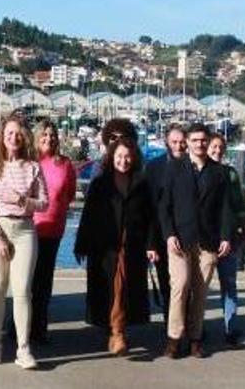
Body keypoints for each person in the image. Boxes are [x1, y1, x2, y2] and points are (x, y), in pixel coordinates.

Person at [156, 123, 235, 359]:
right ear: (188, 142)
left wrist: (225, 237)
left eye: (203, 140)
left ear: (208, 141)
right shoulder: (175, 169)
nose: (199, 144)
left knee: (201, 292)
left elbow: (225, 209)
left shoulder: (219, 172)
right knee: (180, 285)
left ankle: (195, 338)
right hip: (180, 239)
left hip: (208, 241)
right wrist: (169, 234)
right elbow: (164, 206)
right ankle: (174, 337)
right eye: (195, 140)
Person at [74, 136, 154, 356]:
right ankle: (117, 332)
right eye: (119, 156)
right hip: (106, 245)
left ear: (134, 157)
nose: (124, 160)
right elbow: (88, 215)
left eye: (128, 156)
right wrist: (81, 244)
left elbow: (150, 218)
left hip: (133, 245)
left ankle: (117, 331)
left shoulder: (141, 183)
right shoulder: (101, 183)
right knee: (114, 286)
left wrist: (151, 244)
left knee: (126, 287)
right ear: (112, 157)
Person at [0, 116, 48, 369]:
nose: (14, 137)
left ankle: (23, 348)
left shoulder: (33, 166)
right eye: (9, 133)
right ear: (2, 136)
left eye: (18, 133)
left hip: (25, 230)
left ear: (25, 137)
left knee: (22, 292)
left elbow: (45, 202)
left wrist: (24, 201)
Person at [29, 119, 76, 345]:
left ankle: (39, 328)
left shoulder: (65, 164)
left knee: (44, 281)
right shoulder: (30, 162)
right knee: (27, 279)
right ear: (37, 138)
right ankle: (19, 325)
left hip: (54, 229)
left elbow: (69, 194)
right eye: (44, 135)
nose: (49, 139)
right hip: (30, 228)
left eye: (52, 135)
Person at [209, 134, 245, 347]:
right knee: (198, 287)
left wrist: (244, 228)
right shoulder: (197, 172)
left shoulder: (231, 173)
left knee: (229, 285)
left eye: (220, 147)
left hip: (229, 237)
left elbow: (239, 204)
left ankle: (231, 328)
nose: (217, 150)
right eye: (213, 146)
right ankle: (195, 328)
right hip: (205, 238)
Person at [144, 125, 185, 331]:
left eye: (181, 142)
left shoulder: (193, 165)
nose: (178, 146)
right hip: (160, 235)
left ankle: (187, 324)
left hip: (187, 234)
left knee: (186, 285)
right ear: (167, 143)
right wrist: (150, 243)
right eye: (174, 142)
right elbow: (149, 208)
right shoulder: (154, 167)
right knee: (167, 283)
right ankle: (172, 326)